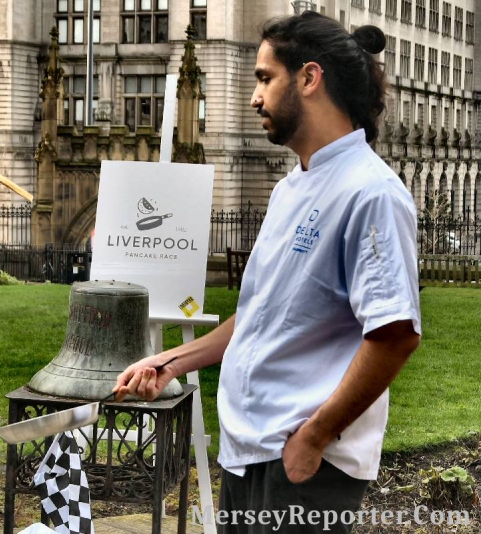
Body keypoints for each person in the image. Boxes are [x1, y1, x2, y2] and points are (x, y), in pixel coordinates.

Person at [113, 12, 421, 534]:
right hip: (249, 452)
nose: (254, 98)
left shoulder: (371, 193)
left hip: (302, 463)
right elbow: (259, 316)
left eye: (264, 78)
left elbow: (395, 335)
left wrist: (315, 437)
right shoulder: (289, 188)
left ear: (309, 77)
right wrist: (169, 362)